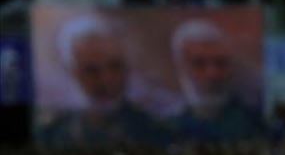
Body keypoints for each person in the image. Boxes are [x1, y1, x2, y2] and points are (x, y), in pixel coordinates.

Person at [39, 14, 167, 147]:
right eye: (91, 70)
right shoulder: (51, 135)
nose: (106, 80)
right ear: (73, 72)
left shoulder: (154, 130)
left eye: (115, 66)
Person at [169, 19, 264, 142]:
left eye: (220, 62)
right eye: (199, 63)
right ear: (181, 67)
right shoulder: (170, 126)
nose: (212, 74)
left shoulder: (255, 122)